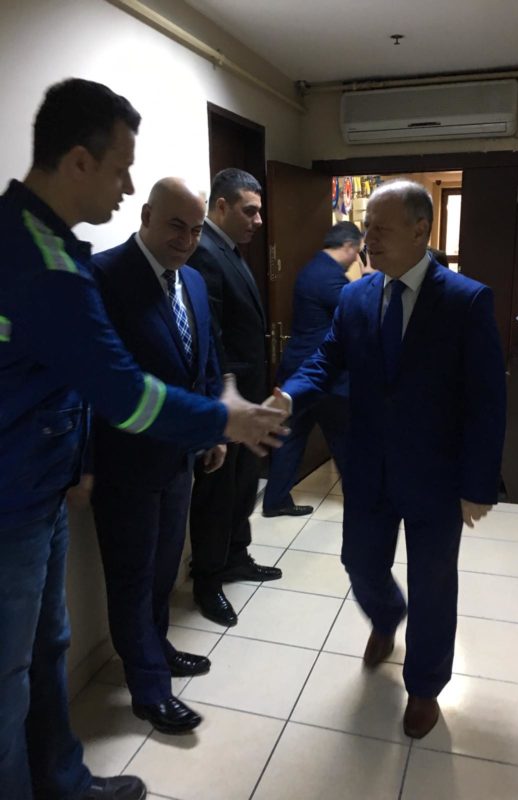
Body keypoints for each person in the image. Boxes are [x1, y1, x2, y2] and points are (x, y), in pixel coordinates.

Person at [0, 79, 286, 800]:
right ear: (79, 162)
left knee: (48, 648)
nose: (126, 187)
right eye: (122, 169)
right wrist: (226, 419)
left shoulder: (46, 240)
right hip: (11, 497)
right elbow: (121, 390)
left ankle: (63, 781)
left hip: (40, 484)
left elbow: (63, 379)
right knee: (8, 678)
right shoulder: (46, 261)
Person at [277, 179, 506, 740]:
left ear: (421, 230)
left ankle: (425, 685)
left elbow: (486, 400)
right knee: (359, 561)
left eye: (380, 228)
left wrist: (478, 484)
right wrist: (287, 396)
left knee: (434, 585)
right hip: (368, 465)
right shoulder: (356, 296)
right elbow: (326, 360)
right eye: (366, 228)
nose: (368, 239)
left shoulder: (465, 300)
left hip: (435, 474)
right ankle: (385, 615)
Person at [91, 178, 226, 734]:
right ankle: (148, 688)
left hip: (179, 461)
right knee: (132, 575)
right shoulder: (103, 277)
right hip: (124, 463)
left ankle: (157, 647)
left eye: (195, 231)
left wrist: (213, 429)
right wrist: (84, 464)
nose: (186, 241)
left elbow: (205, 361)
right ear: (146, 215)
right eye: (176, 226)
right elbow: (92, 380)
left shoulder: (192, 280)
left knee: (164, 569)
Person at [187, 168, 282, 628]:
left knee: (243, 484)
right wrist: (225, 399)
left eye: (259, 211)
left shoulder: (230, 249)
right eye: (250, 211)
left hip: (248, 395)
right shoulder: (205, 252)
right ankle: (207, 580)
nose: (258, 221)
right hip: (227, 400)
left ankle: (236, 557)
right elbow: (212, 336)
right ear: (221, 206)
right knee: (217, 493)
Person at [262, 221, 363, 517]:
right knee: (345, 440)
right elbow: (358, 311)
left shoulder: (313, 269)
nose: (357, 259)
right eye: (357, 252)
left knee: (290, 438)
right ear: (348, 246)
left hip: (298, 371)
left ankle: (275, 500)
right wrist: (368, 277)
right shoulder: (328, 277)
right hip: (324, 375)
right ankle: (361, 501)